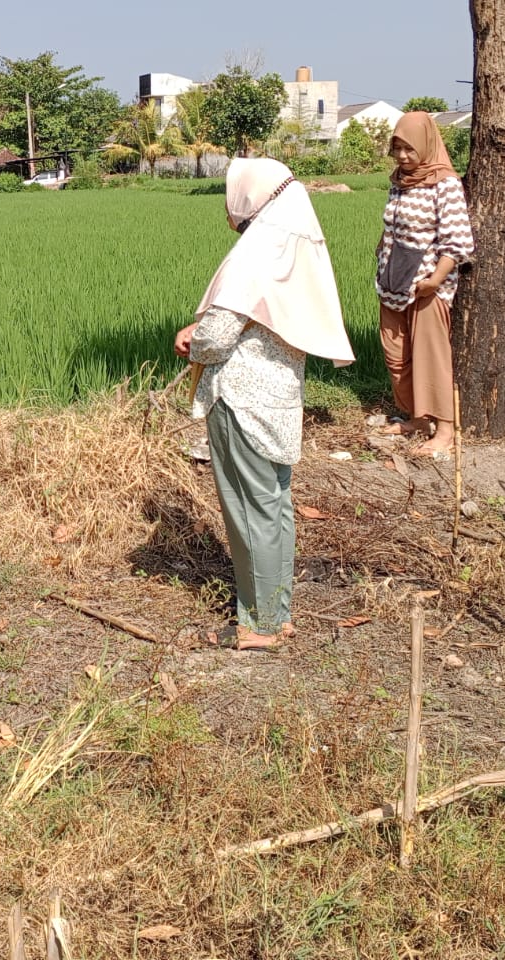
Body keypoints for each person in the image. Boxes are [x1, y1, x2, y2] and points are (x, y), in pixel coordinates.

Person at [174, 157, 354, 650]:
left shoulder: (256, 253)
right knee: (274, 506)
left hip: (241, 398)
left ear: (251, 194)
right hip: (280, 396)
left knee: (249, 508)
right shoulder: (297, 247)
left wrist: (193, 338)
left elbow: (218, 334)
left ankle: (260, 625)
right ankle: (277, 611)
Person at [374, 112, 475, 457]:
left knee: (431, 357)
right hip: (393, 279)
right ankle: (418, 418)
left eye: (409, 149)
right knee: (396, 354)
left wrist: (434, 280)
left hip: (428, 285)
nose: (403, 156)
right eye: (397, 148)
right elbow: (391, 226)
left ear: (427, 146)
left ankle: (445, 429)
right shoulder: (399, 180)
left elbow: (458, 241)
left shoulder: (443, 183)